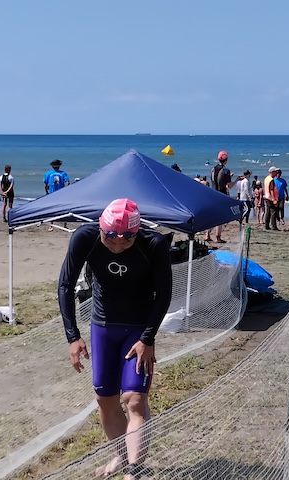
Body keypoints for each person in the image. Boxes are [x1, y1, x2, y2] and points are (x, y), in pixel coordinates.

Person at [58, 198, 172, 480]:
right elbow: (65, 285)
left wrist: (147, 339)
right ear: (100, 227)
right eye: (110, 239)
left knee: (134, 399)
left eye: (126, 241)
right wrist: (73, 336)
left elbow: (164, 294)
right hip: (103, 328)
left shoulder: (153, 243)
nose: (118, 247)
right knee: (105, 400)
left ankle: (133, 472)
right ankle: (121, 457)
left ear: (136, 232)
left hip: (138, 330)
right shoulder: (84, 238)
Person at [209, 150, 235, 243]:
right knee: (220, 217)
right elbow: (229, 186)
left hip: (213, 194)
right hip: (221, 195)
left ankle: (207, 234)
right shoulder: (226, 170)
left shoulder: (212, 169)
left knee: (213, 216)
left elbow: (216, 180)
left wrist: (228, 177)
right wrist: (236, 180)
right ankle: (218, 237)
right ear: (226, 160)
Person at [263, 166, 279, 230]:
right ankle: (273, 226)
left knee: (268, 212)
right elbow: (271, 190)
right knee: (273, 212)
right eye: (275, 172)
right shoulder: (271, 180)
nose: (276, 173)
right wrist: (273, 199)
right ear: (272, 172)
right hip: (270, 197)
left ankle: (267, 225)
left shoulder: (266, 178)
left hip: (266, 196)